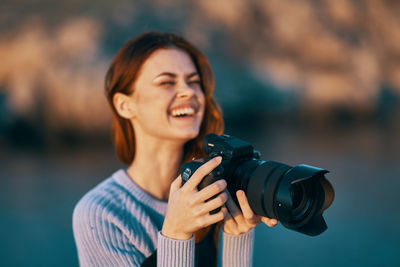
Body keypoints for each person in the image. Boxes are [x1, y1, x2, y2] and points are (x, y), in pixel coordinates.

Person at [72, 31, 278, 267]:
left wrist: (236, 236)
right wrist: (176, 235)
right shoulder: (100, 214)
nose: (189, 92)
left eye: (194, 82)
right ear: (124, 105)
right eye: (167, 82)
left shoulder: (212, 193)